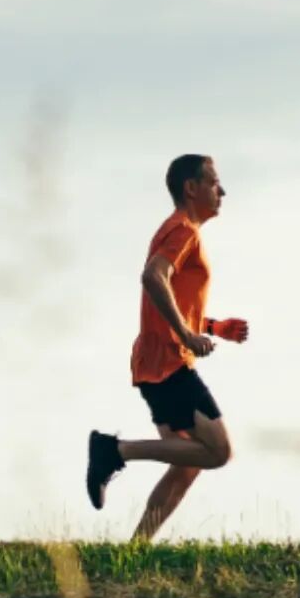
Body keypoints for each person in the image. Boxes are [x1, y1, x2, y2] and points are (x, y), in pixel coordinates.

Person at [85, 154, 248, 541]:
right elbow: (153, 278)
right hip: (169, 363)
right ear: (191, 188)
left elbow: (169, 301)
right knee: (218, 452)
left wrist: (213, 327)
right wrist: (187, 336)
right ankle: (114, 450)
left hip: (156, 360)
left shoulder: (179, 231)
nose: (222, 191)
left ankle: (138, 548)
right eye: (213, 182)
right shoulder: (183, 230)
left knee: (186, 462)